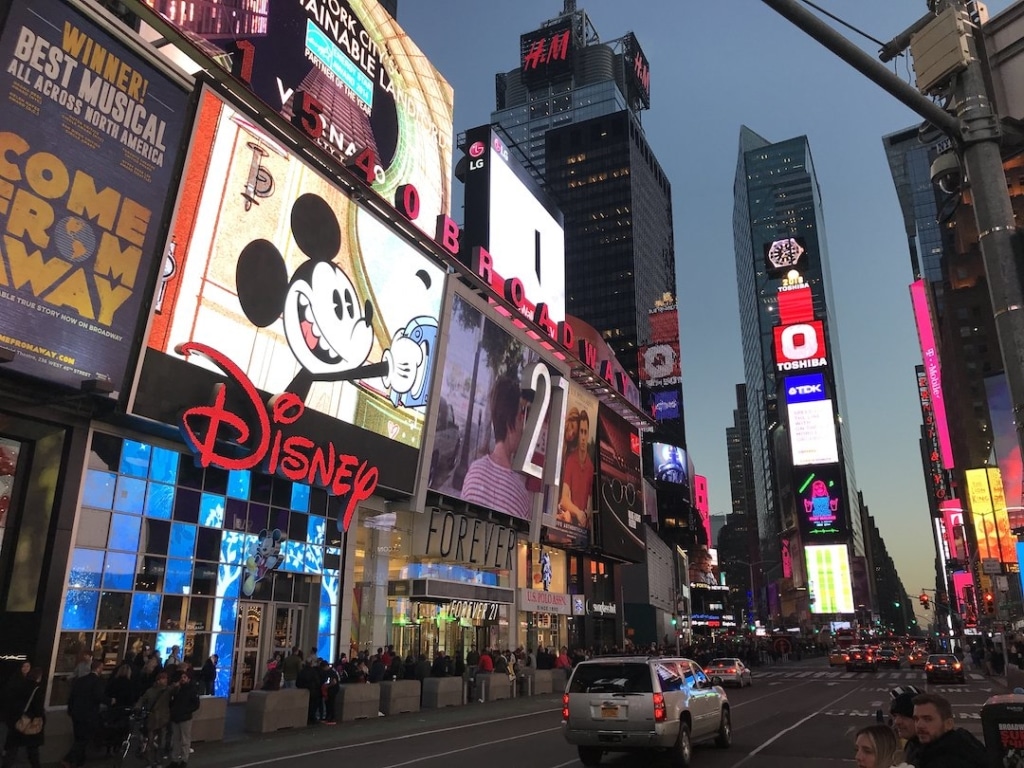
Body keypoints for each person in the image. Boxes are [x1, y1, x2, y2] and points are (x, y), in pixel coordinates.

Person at [460, 376, 531, 520]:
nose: (521, 427)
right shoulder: (520, 495)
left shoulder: (474, 472)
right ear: (510, 422)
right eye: (519, 418)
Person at [912, 692, 986, 767]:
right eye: (916, 719)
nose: (919, 725)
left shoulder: (951, 760)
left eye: (928, 719)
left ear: (948, 724)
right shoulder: (957, 746)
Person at [62, 659, 106, 768]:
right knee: (84, 738)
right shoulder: (97, 682)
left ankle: (79, 761)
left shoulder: (80, 680)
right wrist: (110, 701)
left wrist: (70, 709)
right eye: (102, 668)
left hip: (76, 712)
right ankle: (69, 759)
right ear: (99, 668)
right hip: (89, 714)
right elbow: (98, 696)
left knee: (79, 737)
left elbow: (72, 695)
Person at [558, 408, 594, 528]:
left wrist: (586, 514)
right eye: (580, 432)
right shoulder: (571, 460)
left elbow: (589, 502)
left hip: (581, 528)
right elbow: (564, 498)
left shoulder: (590, 467)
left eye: (585, 432)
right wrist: (577, 513)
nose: (583, 437)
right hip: (567, 522)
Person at [2, 667, 44, 768]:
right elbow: (38, 709)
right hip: (30, 721)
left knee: (12, 750)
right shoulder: (37, 689)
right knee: (32, 750)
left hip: (18, 720)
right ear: (38, 677)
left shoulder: (19, 685)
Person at [136, 670, 172, 768]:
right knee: (158, 742)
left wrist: (138, 708)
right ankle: (156, 761)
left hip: (154, 718)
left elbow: (142, 700)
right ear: (159, 680)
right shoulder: (167, 691)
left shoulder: (152, 691)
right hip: (161, 718)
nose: (166, 680)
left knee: (152, 742)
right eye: (164, 678)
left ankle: (151, 762)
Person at [167, 669, 200, 768]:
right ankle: (175, 759)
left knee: (185, 740)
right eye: (182, 677)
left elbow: (196, 704)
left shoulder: (191, 690)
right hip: (177, 717)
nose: (182, 679)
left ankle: (184, 760)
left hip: (185, 717)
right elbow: (171, 700)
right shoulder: (178, 689)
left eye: (184, 677)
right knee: (176, 740)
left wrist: (186, 710)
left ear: (189, 679)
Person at [888, 686, 922, 766]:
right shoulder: (912, 744)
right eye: (895, 716)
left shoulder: (936, 753)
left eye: (904, 716)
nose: (896, 722)